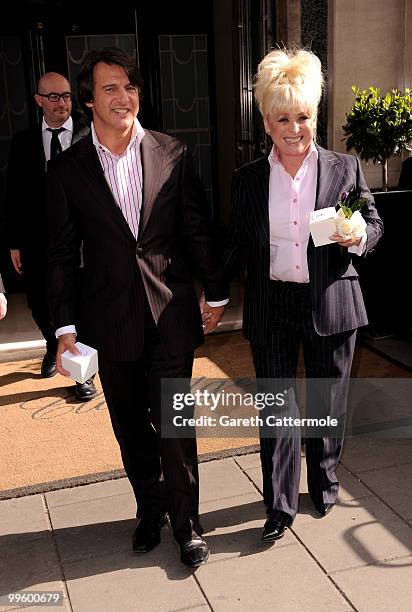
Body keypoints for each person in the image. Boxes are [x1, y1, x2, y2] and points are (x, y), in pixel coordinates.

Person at [46, 47, 227, 567]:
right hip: (108, 320)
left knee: (175, 425)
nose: (122, 97)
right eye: (109, 88)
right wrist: (64, 328)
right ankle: (151, 510)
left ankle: (187, 523)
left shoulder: (173, 151)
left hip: (169, 314)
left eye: (129, 86)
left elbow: (195, 228)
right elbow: (60, 254)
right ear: (88, 100)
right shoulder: (69, 169)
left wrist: (214, 291)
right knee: (129, 427)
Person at [223, 48, 383, 543]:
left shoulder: (344, 170)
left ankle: (324, 479)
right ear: (267, 123)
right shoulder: (247, 181)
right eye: (283, 118)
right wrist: (208, 295)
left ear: (316, 114)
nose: (295, 128)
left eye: (304, 116)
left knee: (327, 402)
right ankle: (279, 503)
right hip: (273, 305)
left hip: (331, 301)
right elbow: (234, 245)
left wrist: (357, 236)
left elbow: (373, 224)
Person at [5, 72, 95, 400]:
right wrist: (14, 241)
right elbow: (13, 192)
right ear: (39, 100)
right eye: (54, 97)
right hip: (37, 238)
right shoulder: (23, 142)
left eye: (67, 96)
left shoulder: (89, 135)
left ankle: (80, 372)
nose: (62, 103)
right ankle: (50, 344)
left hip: (82, 239)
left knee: (79, 302)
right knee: (40, 300)